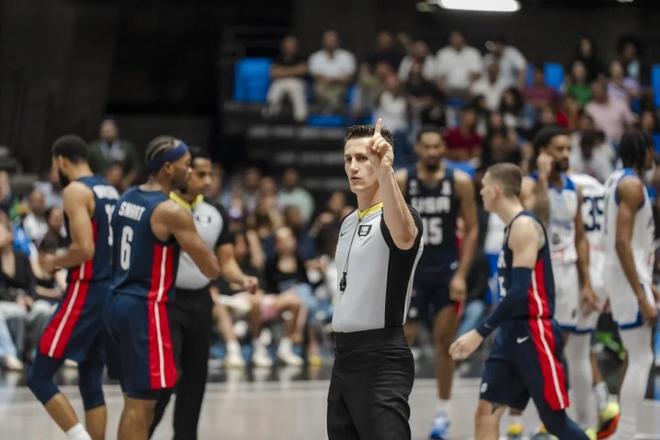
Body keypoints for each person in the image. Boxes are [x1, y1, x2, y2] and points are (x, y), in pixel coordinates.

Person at [449, 163, 594, 440]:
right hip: (510, 332)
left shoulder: (524, 226)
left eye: (483, 187)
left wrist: (479, 333)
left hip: (533, 332)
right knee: (485, 411)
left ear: (496, 190)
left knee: (555, 423)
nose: (480, 192)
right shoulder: (511, 227)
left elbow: (518, 292)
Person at [103, 136, 221, 440]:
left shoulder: (127, 198)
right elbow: (211, 268)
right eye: (186, 165)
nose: (190, 171)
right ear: (168, 168)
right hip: (146, 308)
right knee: (142, 404)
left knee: (134, 401)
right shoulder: (171, 211)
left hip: (116, 301)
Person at [147, 147, 258, 439]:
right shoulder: (161, 208)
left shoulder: (215, 211)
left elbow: (226, 262)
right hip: (166, 301)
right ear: (183, 171)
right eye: (201, 173)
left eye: (211, 174)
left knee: (195, 381)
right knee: (165, 379)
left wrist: (242, 279)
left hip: (200, 301)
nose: (208, 181)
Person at [327, 119, 424, 440]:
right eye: (348, 159)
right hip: (343, 358)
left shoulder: (399, 217)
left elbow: (405, 235)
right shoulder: (347, 222)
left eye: (363, 158)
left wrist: (386, 172)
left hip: (382, 357)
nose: (353, 166)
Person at [27, 135, 119, 440]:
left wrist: (54, 261)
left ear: (61, 161)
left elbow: (84, 249)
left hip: (87, 291)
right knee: (90, 379)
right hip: (111, 291)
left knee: (39, 376)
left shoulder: (75, 191)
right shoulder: (109, 189)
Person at [395, 126, 478, 439]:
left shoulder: (459, 182)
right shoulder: (403, 180)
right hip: (413, 269)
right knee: (401, 341)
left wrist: (461, 274)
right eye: (427, 146)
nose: (432, 151)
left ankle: (443, 413)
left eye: (436, 146)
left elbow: (472, 228)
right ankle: (394, 407)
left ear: (443, 149)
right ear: (418, 148)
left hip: (446, 269)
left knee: (445, 342)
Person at [601, 130, 658, 439]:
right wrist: (641, 295)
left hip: (628, 276)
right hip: (627, 279)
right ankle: (626, 432)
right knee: (641, 357)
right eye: (651, 150)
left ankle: (623, 428)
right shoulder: (632, 186)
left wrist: (648, 287)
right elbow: (622, 243)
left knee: (635, 355)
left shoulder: (615, 180)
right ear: (643, 151)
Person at [308, 30, 356, 114]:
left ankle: (326, 110)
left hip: (340, 86)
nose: (330, 43)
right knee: (319, 89)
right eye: (328, 40)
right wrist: (328, 80)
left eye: (333, 40)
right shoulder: (315, 57)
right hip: (322, 87)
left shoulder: (347, 56)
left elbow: (349, 76)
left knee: (340, 91)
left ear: (338, 41)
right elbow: (315, 76)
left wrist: (335, 80)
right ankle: (335, 106)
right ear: (323, 41)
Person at [88, 118, 140, 190]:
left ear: (117, 130)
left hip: (121, 187)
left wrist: (126, 181)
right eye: (106, 130)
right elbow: (87, 167)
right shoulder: (93, 148)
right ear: (100, 132)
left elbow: (136, 167)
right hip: (99, 186)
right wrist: (95, 181)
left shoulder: (126, 146)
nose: (108, 132)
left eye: (111, 129)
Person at [266, 36, 308, 123]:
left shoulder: (301, 57)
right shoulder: (277, 57)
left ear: (296, 47)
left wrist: (282, 71)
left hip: (297, 82)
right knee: (275, 89)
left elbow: (303, 70)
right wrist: (294, 70)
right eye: (287, 46)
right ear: (283, 47)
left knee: (297, 90)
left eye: (292, 46)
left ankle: (300, 119)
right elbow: (273, 73)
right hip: (280, 82)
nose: (290, 48)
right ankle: (270, 115)